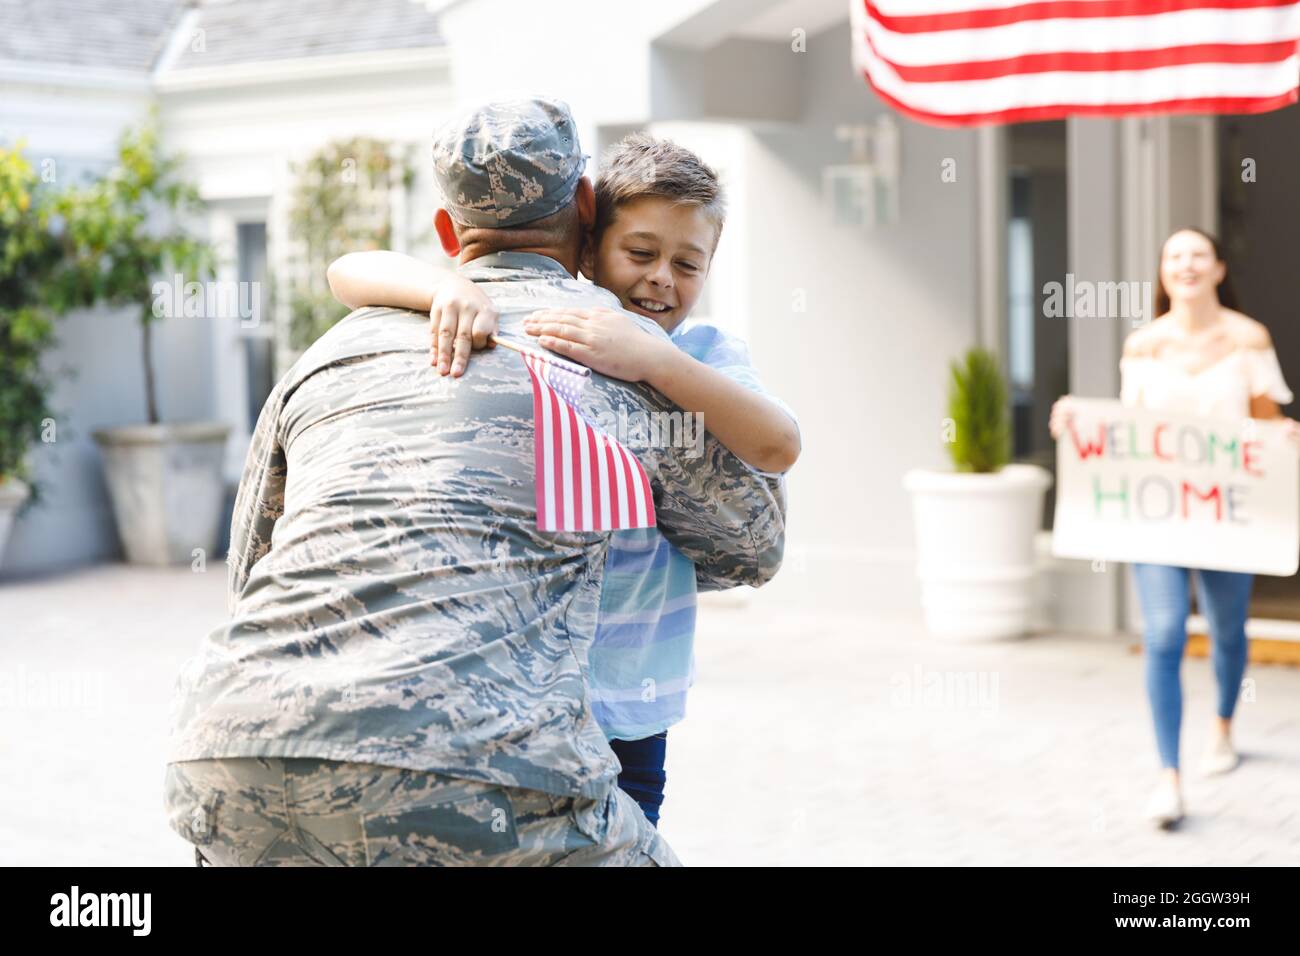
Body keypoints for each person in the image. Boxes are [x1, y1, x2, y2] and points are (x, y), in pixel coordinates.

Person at [162, 97, 787, 866]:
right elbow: (751, 548)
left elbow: (252, 572)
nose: (662, 280)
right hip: (489, 781)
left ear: (447, 233)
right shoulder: (611, 352)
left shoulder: (325, 357)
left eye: (685, 263)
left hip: (231, 757)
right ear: (587, 215)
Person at [326, 133, 801, 826]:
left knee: (629, 833)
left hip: (636, 697)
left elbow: (778, 444)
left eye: (688, 263)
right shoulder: (545, 322)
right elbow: (347, 270)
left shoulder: (702, 354)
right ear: (586, 244)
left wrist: (656, 364)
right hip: (531, 692)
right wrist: (443, 286)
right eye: (640, 253)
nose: (663, 277)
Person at [1051, 227, 1298, 828]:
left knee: (1228, 629)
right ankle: (1169, 777)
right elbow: (1130, 431)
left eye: (1197, 255)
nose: (1185, 266)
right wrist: (1077, 423)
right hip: (1160, 515)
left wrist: (1283, 437)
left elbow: (1266, 422)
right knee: (1162, 634)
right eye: (1174, 256)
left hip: (1226, 515)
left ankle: (1222, 725)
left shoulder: (1247, 339)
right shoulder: (1142, 345)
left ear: (1217, 268)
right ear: (1163, 272)